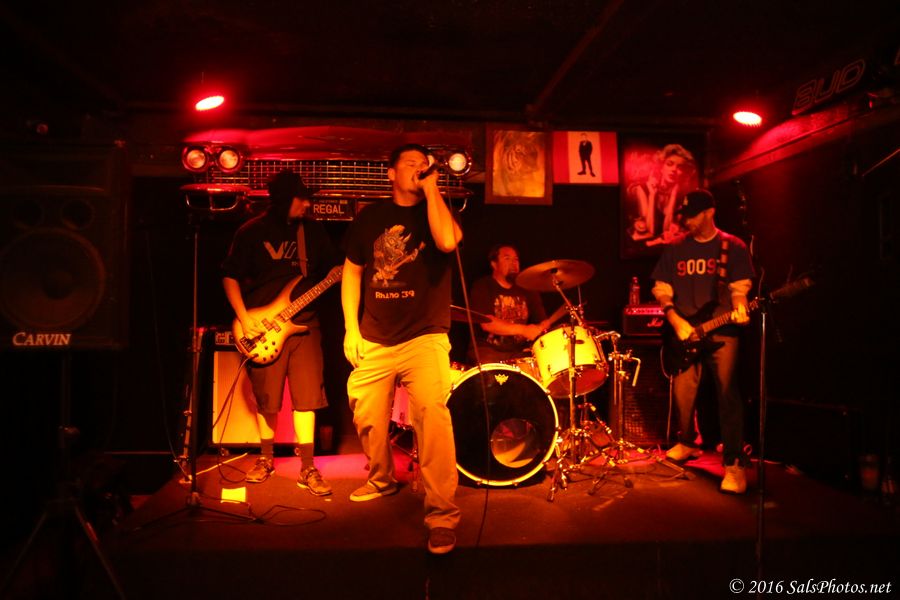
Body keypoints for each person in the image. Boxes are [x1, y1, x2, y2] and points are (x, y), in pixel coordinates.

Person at [341, 143, 463, 554]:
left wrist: (432, 189)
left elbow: (447, 242)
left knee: (432, 417)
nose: (418, 168)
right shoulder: (370, 218)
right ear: (390, 173)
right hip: (375, 335)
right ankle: (381, 479)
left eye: (423, 164)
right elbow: (352, 273)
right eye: (409, 163)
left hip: (425, 336)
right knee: (366, 414)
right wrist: (351, 329)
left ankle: (441, 516)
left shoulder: (436, 210)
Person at [221, 170, 340, 496]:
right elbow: (229, 276)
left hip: (305, 326)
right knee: (268, 400)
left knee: (308, 398)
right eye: (301, 198)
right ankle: (266, 459)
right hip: (261, 328)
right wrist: (244, 318)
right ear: (285, 199)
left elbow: (333, 270)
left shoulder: (312, 232)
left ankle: (308, 467)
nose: (307, 204)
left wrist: (346, 272)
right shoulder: (251, 232)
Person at [651, 189, 754, 494]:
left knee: (727, 393)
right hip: (685, 332)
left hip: (723, 330)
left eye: (694, 216)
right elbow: (661, 288)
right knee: (682, 392)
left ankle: (734, 463)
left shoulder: (732, 246)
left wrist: (740, 306)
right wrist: (675, 319)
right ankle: (686, 441)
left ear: (710, 212)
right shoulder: (675, 248)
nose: (688, 222)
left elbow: (739, 288)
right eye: (686, 216)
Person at [468, 244, 563, 364]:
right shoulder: (482, 286)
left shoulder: (527, 288)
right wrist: (523, 330)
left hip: (519, 352)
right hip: (488, 350)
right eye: (507, 258)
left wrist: (542, 327)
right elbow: (487, 324)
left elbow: (541, 321)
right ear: (494, 264)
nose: (513, 263)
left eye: (516, 259)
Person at [627, 144, 697, 246]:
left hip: (669, 251)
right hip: (641, 250)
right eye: (669, 164)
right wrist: (652, 196)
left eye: (679, 167)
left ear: (684, 173)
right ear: (661, 167)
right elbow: (649, 231)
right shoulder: (642, 189)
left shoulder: (682, 198)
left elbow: (668, 234)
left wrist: (673, 195)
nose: (674, 169)